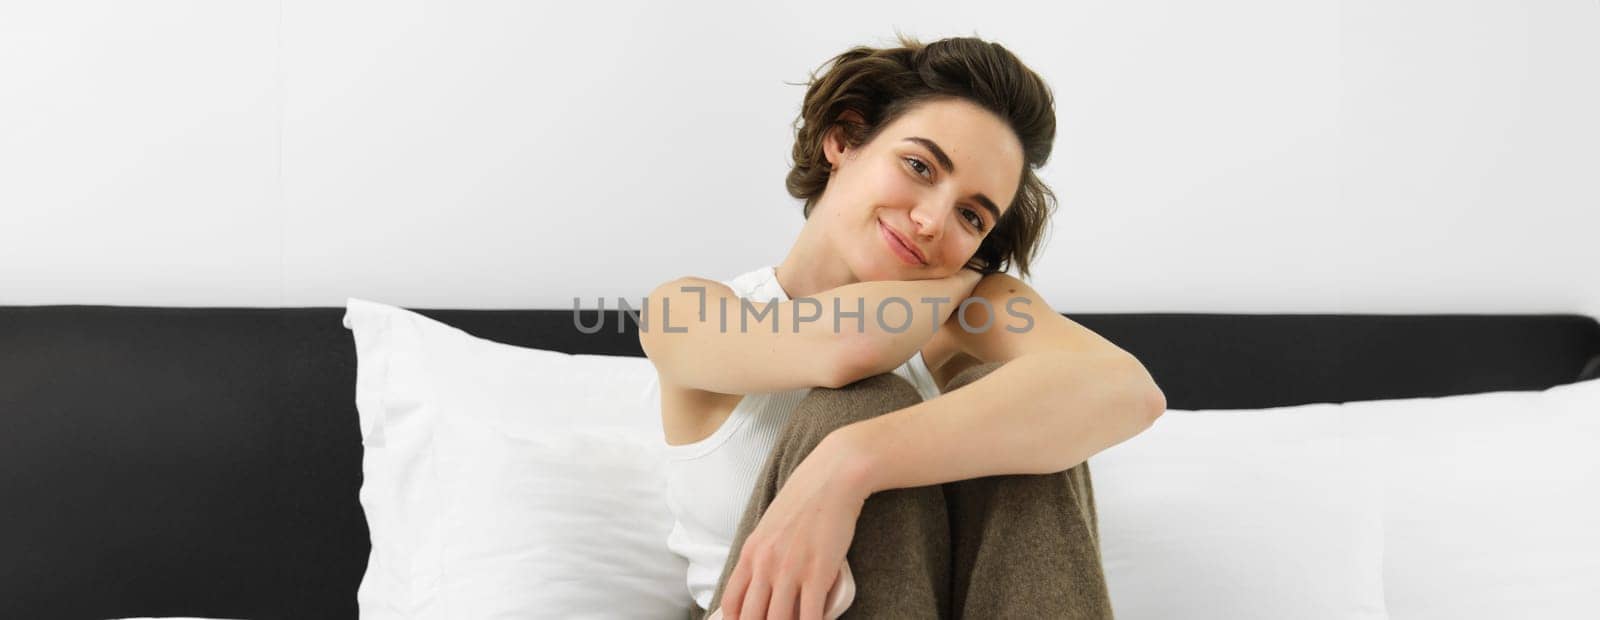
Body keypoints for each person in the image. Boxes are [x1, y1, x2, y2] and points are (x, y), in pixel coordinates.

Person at [638, 32, 1165, 620]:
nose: (933, 220)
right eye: (919, 166)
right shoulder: (684, 310)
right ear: (844, 139)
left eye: (972, 215)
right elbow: (850, 347)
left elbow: (1128, 391)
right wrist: (959, 284)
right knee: (866, 399)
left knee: (1031, 422)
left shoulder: (978, 316)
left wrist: (851, 464)